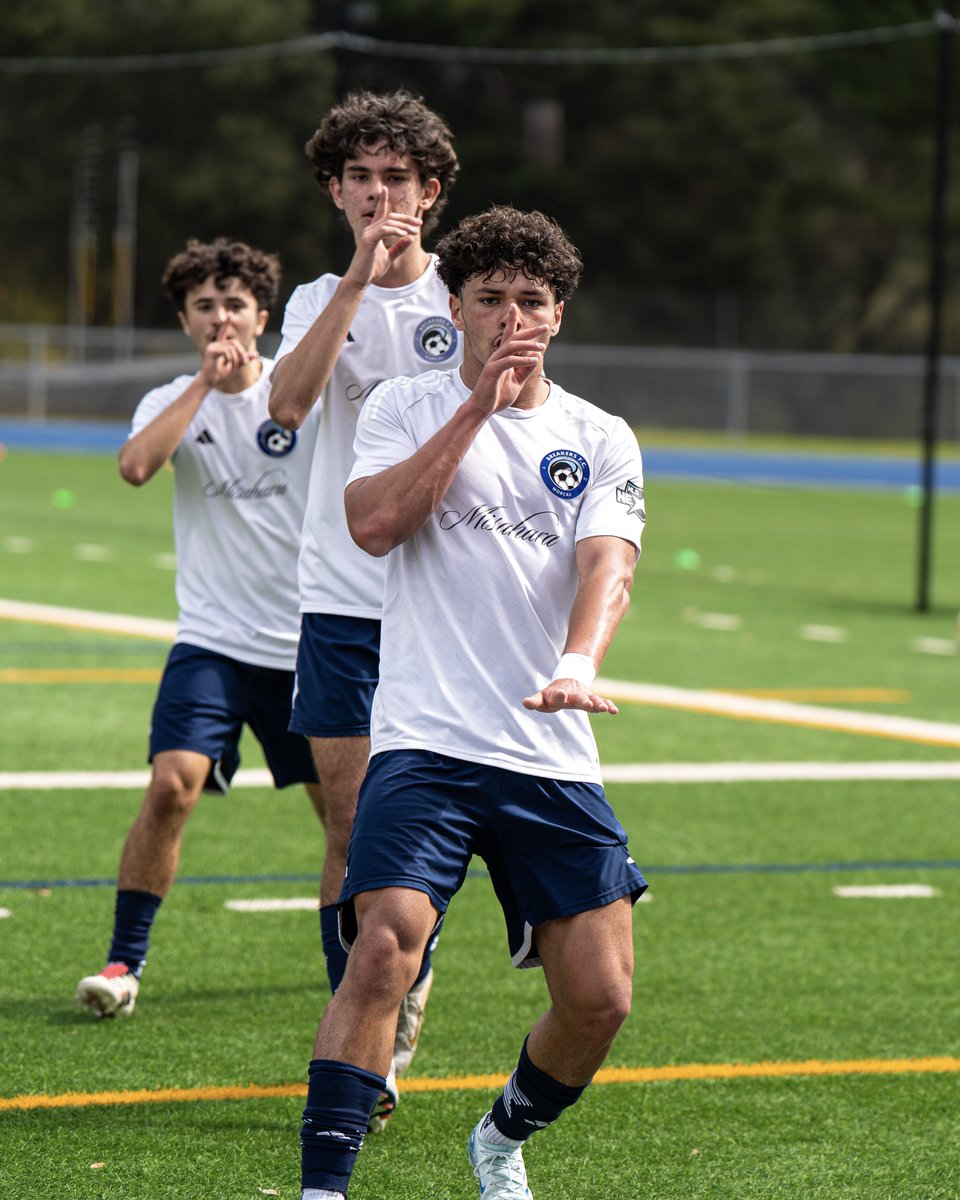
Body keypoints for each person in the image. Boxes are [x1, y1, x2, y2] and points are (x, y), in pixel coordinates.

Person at [296, 206, 649, 1200]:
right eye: (490, 299)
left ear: (560, 314)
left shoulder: (600, 435)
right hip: (427, 744)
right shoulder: (404, 406)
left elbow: (607, 563)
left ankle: (500, 1138)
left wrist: (579, 659)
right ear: (455, 308)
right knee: (381, 950)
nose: (511, 317)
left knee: (601, 1000)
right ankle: (326, 1189)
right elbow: (373, 525)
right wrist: (476, 410)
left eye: (531, 300)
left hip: (551, 749)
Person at [268, 89, 461, 1124]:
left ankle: (394, 1016)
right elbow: (289, 406)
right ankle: (370, 1039)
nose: (379, 193)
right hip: (340, 605)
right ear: (337, 192)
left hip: (444, 608)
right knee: (346, 835)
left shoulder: (466, 299)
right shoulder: (312, 298)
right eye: (361, 177)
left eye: (398, 177)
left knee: (415, 840)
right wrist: (357, 278)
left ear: (430, 192)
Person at [76, 238, 324, 1019]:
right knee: (170, 785)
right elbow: (136, 467)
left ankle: (362, 970)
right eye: (205, 308)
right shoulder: (169, 400)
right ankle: (124, 964)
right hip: (212, 643)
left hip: (309, 649)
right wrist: (203, 390)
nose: (222, 320)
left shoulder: (305, 395)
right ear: (186, 320)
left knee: (344, 817)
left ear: (263, 314)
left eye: (236, 306)